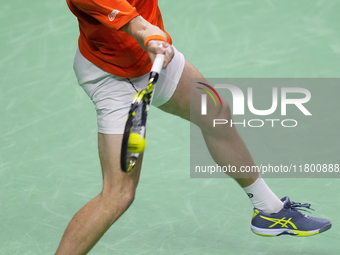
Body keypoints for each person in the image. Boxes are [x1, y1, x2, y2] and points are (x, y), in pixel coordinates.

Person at [56, 0, 331, 254]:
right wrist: (152, 37)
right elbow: (138, 26)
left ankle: (270, 211)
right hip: (113, 76)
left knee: (216, 114)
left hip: (155, 59)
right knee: (118, 194)